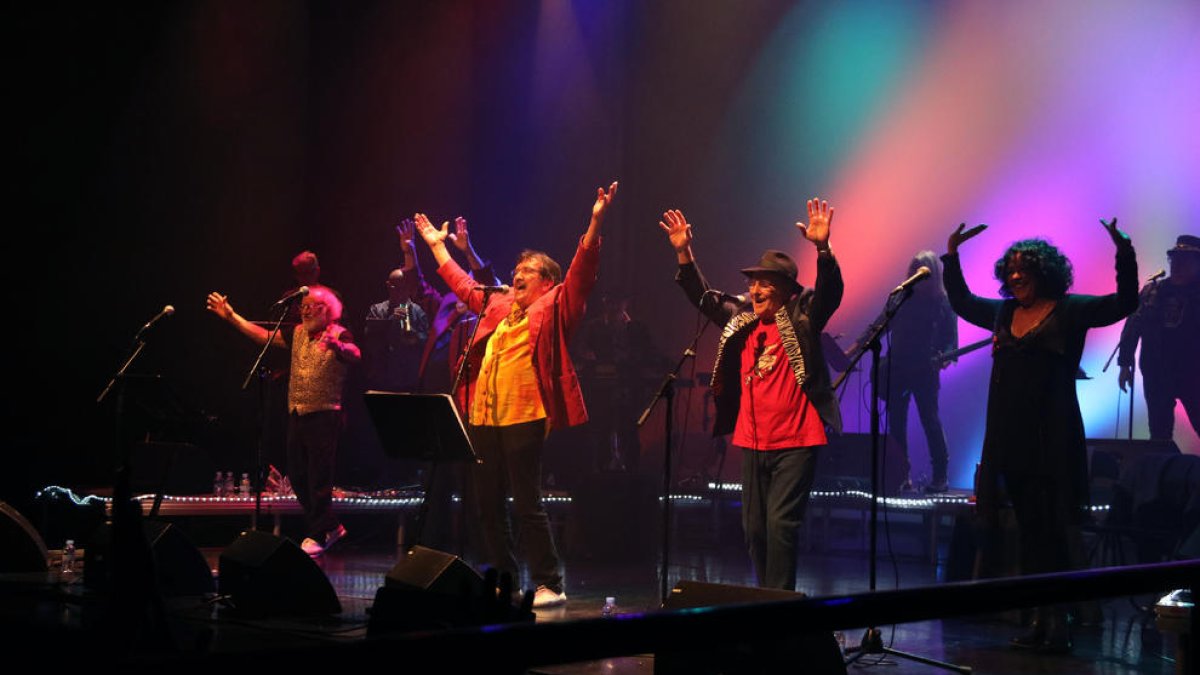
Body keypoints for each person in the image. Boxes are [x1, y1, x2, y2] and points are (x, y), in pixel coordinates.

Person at [412, 181, 618, 608]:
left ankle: (549, 582)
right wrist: (436, 247)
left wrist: (595, 222)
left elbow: (582, 272)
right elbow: (464, 285)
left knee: (526, 502)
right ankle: (502, 578)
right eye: (517, 269)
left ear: (548, 282)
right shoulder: (501, 305)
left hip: (525, 414)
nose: (517, 275)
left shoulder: (556, 305)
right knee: (486, 505)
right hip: (484, 416)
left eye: (528, 271)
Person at [942, 219, 1137, 653]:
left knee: (1054, 532)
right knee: (1031, 533)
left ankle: (1060, 621)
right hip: (1011, 440)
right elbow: (961, 301)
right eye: (1010, 268)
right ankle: (1039, 619)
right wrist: (951, 256)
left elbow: (1124, 303)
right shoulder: (1003, 312)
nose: (1016, 274)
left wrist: (1124, 253)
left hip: (1053, 437)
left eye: (1024, 268)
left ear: (1044, 272)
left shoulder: (1070, 310)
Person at [658, 199, 843, 591]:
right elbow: (704, 298)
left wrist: (823, 249)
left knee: (781, 525)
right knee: (754, 529)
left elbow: (830, 293)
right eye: (752, 283)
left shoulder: (802, 317)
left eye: (764, 283)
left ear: (786, 291)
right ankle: (767, 597)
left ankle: (778, 605)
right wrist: (684, 253)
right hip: (754, 441)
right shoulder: (742, 322)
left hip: (796, 441)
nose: (754, 290)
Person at [206, 286, 361, 556]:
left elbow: (355, 353)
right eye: (303, 306)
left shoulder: (339, 333)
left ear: (328, 310)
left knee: (319, 478)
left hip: (325, 414)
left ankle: (320, 533)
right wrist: (231, 316)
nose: (306, 310)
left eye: (312, 306)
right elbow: (263, 336)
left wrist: (338, 346)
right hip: (297, 413)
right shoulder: (298, 333)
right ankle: (330, 526)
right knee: (297, 476)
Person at [883, 251, 956, 493]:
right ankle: (901, 476)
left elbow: (951, 341)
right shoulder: (902, 297)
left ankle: (940, 477)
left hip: (925, 370)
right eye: (915, 268)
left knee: (930, 421)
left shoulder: (943, 302)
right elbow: (881, 325)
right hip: (899, 368)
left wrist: (944, 358)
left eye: (923, 270)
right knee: (896, 423)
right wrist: (855, 348)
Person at [1118, 234, 1200, 441]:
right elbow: (1132, 326)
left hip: (1194, 373)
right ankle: (1163, 462)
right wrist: (1125, 363)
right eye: (1175, 259)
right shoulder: (1153, 292)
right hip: (1157, 371)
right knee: (1159, 433)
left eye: (1185, 260)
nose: (1177, 265)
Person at [364, 268, 430, 392]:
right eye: (396, 288)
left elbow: (427, 342)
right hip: (383, 377)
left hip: (409, 378)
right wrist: (392, 320)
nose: (401, 293)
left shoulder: (418, 311)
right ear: (388, 286)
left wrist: (415, 337)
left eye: (404, 288)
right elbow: (370, 341)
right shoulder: (377, 310)